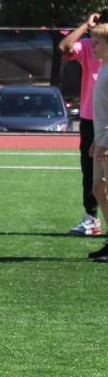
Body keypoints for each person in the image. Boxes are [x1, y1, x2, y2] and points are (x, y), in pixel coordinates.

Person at [59, 13, 103, 236]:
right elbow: (65, 46)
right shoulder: (89, 46)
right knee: (91, 172)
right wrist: (86, 25)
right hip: (90, 119)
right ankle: (91, 217)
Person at [84, 24, 108, 262]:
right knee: (99, 189)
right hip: (102, 137)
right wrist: (96, 139)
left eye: (97, 42)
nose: (93, 46)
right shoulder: (103, 68)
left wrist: (106, 141)